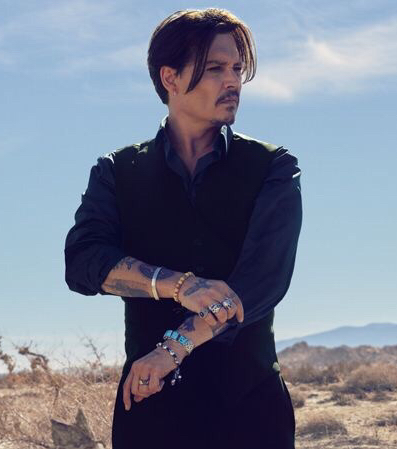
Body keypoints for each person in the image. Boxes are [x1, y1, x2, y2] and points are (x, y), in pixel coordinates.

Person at [64, 8, 302, 449]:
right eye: (215, 68)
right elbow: (83, 263)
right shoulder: (118, 172)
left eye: (237, 69)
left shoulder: (273, 167)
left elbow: (261, 282)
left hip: (249, 406)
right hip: (151, 404)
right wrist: (177, 285)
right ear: (169, 77)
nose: (232, 82)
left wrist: (171, 349)